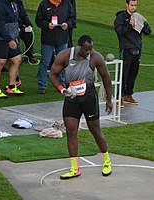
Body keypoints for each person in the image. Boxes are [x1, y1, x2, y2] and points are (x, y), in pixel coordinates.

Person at [49, 35, 113, 179]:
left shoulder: (96, 57)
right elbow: (53, 74)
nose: (88, 53)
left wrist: (109, 100)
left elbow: (106, 77)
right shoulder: (65, 56)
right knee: (71, 133)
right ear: (78, 46)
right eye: (85, 50)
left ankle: (107, 161)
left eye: (90, 49)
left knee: (95, 130)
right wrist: (61, 89)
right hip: (72, 99)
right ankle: (75, 168)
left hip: (89, 98)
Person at [114, 0, 151, 105]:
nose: (133, 7)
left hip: (137, 48)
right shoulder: (120, 18)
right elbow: (120, 32)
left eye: (135, 5)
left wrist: (140, 25)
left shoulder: (138, 17)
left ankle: (128, 95)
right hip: (126, 49)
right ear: (127, 4)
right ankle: (119, 96)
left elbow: (148, 31)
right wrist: (130, 25)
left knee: (133, 74)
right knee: (123, 74)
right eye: (132, 5)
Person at [35, 0, 76, 94]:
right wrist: (47, 25)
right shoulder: (44, 4)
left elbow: (72, 18)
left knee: (63, 63)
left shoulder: (67, 3)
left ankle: (62, 84)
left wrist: (67, 24)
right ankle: (42, 85)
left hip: (62, 39)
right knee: (45, 62)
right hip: (48, 40)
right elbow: (38, 20)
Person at [0, 0, 24, 98]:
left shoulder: (13, 4)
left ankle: (11, 86)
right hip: (0, 38)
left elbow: (15, 20)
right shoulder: (0, 5)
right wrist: (9, 40)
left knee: (16, 60)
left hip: (11, 37)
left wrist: (16, 36)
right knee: (0, 63)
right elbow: (0, 25)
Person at [17, 0, 38, 64]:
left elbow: (23, 14)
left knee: (29, 34)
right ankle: (14, 56)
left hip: (19, 26)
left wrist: (28, 24)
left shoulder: (18, 2)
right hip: (9, 27)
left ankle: (29, 55)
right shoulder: (3, 4)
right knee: (15, 37)